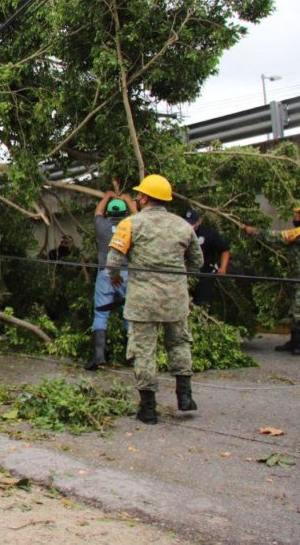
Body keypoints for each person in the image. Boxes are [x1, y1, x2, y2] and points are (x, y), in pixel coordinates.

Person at [106, 174, 203, 425]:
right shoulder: (184, 226)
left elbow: (113, 261)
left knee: (144, 352)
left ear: (146, 197)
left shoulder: (131, 224)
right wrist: (180, 280)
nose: (137, 198)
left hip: (143, 302)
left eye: (139, 195)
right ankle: (185, 397)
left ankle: (148, 409)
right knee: (180, 344)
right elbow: (197, 262)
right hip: (176, 300)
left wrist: (114, 277)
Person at [241, 202, 300, 356]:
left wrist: (254, 231)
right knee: (294, 310)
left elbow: (278, 237)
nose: (296, 216)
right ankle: (295, 341)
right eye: (297, 213)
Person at [85, 189, 137, 370]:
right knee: (129, 314)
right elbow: (138, 216)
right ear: (124, 213)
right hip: (127, 274)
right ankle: (133, 357)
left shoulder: (102, 225)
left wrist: (106, 196)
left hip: (106, 273)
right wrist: (129, 200)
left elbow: (97, 212)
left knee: (101, 313)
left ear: (108, 212)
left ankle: (99, 355)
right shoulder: (132, 225)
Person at [183, 210, 231, 308]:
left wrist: (223, 268)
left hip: (204, 276)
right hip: (183, 276)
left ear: (199, 221)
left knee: (203, 305)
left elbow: (224, 250)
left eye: (192, 223)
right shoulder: (179, 233)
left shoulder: (208, 233)